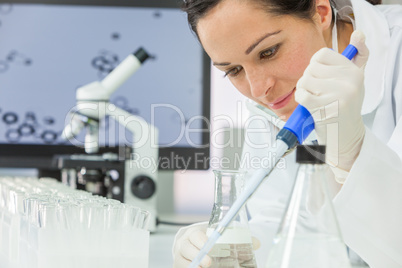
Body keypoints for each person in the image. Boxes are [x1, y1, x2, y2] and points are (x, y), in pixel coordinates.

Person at [173, 0, 402, 267]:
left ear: (321, 12)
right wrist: (236, 248)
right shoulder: (275, 103)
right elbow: (283, 219)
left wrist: (351, 155)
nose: (258, 90)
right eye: (233, 70)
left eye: (268, 52)